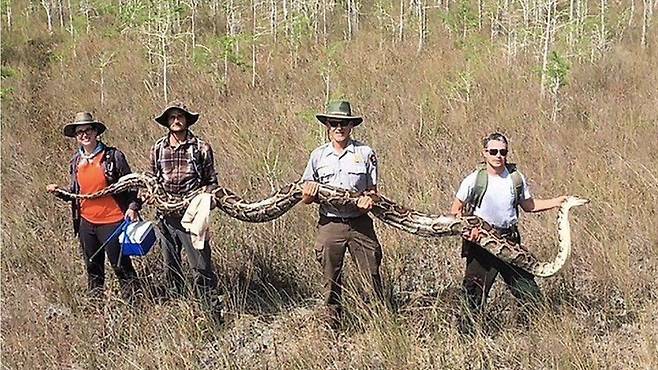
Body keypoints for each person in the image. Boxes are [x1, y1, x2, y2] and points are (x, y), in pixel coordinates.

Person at [449, 132, 567, 319]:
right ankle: (468, 339)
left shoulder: (515, 178)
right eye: (493, 151)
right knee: (473, 296)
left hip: (509, 241)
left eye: (502, 152)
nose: (498, 156)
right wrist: (468, 232)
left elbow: (529, 205)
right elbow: (456, 210)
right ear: (485, 153)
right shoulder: (474, 180)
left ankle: (538, 330)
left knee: (529, 293)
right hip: (482, 243)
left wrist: (558, 202)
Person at [301, 100, 383, 329]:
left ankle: (378, 323)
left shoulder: (366, 153)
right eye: (334, 123)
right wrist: (308, 193)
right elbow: (306, 197)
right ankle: (332, 324)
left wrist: (370, 200)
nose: (339, 127)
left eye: (344, 123)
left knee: (372, 274)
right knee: (331, 278)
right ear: (327, 125)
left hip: (360, 223)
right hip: (330, 223)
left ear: (351, 126)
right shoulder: (318, 156)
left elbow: (374, 192)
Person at [46, 112, 141, 302]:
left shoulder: (113, 156)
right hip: (86, 223)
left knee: (120, 265)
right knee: (93, 266)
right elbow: (79, 194)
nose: (84, 134)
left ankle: (136, 305)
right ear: (75, 136)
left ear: (96, 132)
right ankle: (96, 306)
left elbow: (132, 185)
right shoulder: (75, 162)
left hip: (113, 222)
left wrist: (132, 206)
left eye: (88, 130)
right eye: (79, 132)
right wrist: (59, 192)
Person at [149, 101, 222, 321]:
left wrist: (207, 198)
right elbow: (152, 178)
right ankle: (177, 311)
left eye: (180, 116)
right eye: (171, 117)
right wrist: (149, 195)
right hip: (166, 217)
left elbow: (211, 181)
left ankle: (212, 312)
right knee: (170, 266)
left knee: (200, 265)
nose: (176, 120)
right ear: (167, 122)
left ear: (187, 120)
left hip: (193, 217)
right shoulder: (158, 147)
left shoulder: (201, 147)